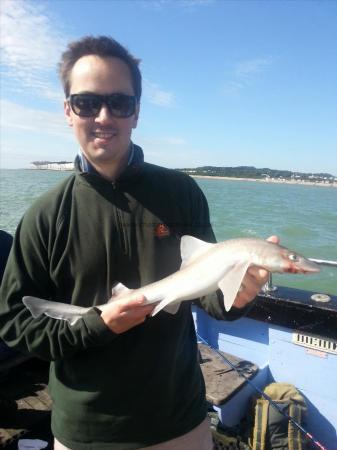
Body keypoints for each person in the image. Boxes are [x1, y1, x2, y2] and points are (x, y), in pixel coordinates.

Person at [0, 36, 275, 450]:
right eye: (87, 103)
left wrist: (239, 295)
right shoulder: (45, 214)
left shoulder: (180, 193)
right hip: (85, 432)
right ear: (67, 111)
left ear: (137, 113)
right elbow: (14, 323)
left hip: (179, 420)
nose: (104, 116)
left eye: (120, 103)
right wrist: (98, 325)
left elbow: (211, 294)